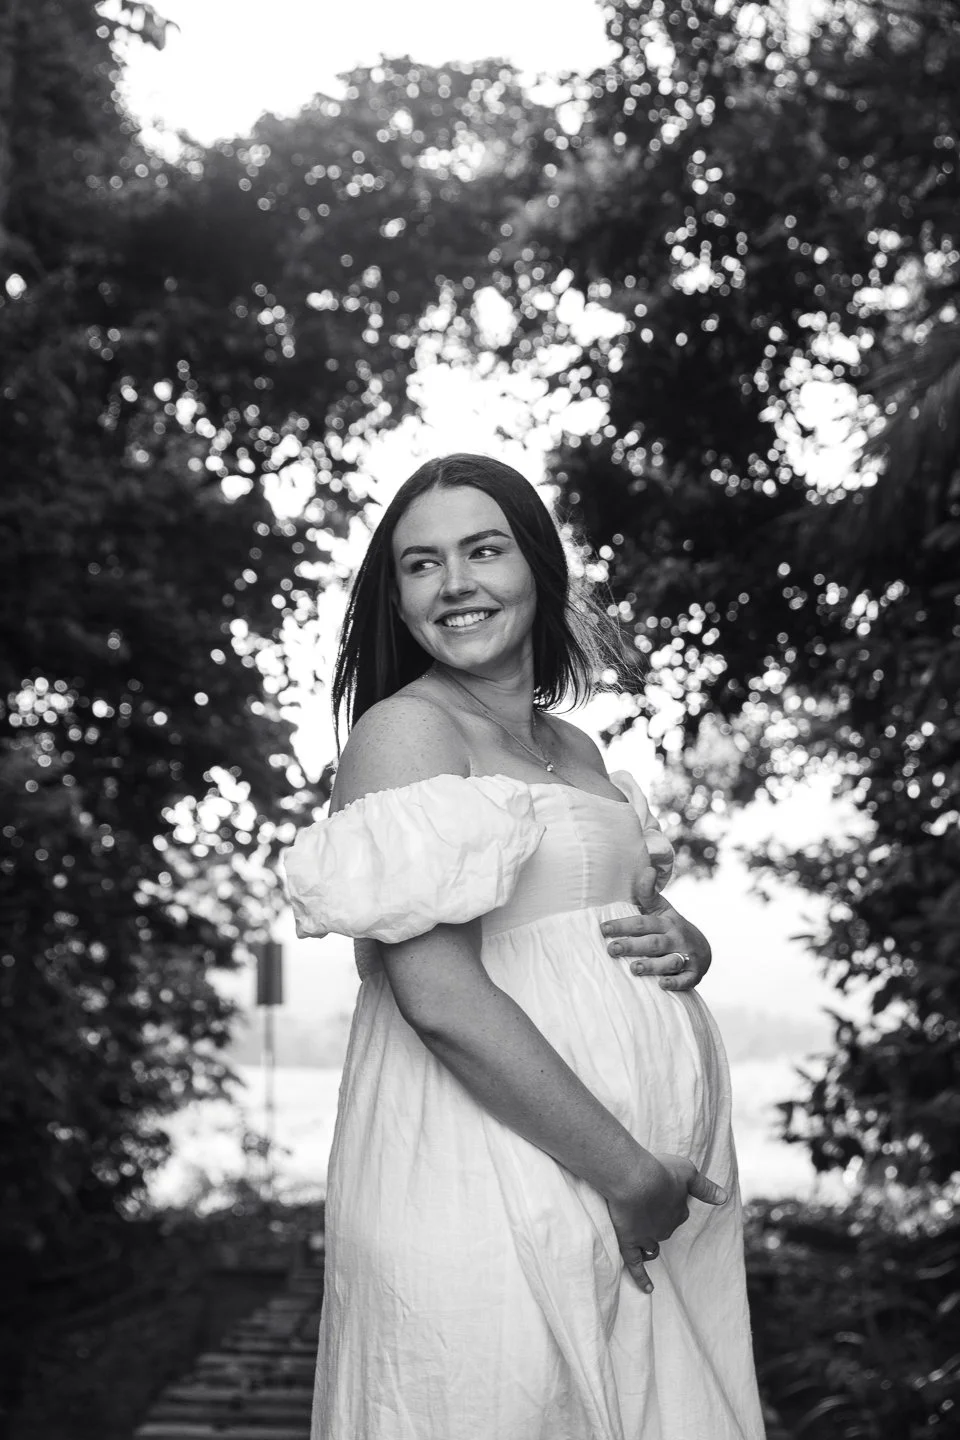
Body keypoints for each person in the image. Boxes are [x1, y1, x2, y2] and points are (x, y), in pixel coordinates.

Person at [282, 454, 766, 1440]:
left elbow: (605, 911)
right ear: (398, 599)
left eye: (484, 550)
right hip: (495, 1173)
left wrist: (686, 941)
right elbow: (438, 997)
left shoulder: (576, 749)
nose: (455, 583)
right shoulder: (408, 732)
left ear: (539, 567)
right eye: (422, 564)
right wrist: (629, 1173)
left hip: (630, 1188)